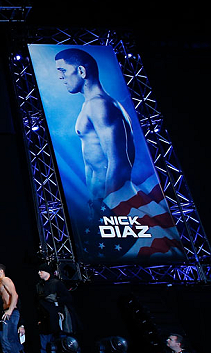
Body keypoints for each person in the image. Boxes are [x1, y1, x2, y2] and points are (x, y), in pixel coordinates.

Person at [54, 48, 181, 258]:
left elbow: (119, 161)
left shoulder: (99, 105)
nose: (60, 76)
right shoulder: (96, 104)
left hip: (114, 202)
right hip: (105, 203)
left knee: (137, 256)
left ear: (81, 71)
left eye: (63, 70)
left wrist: (108, 206)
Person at [35, 263, 78, 353]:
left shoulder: (56, 283)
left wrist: (56, 300)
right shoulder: (39, 285)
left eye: (41, 271)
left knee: (59, 343)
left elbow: (68, 297)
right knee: (43, 346)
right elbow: (38, 302)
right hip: (44, 319)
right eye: (39, 271)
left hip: (57, 318)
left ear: (47, 272)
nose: (39, 273)